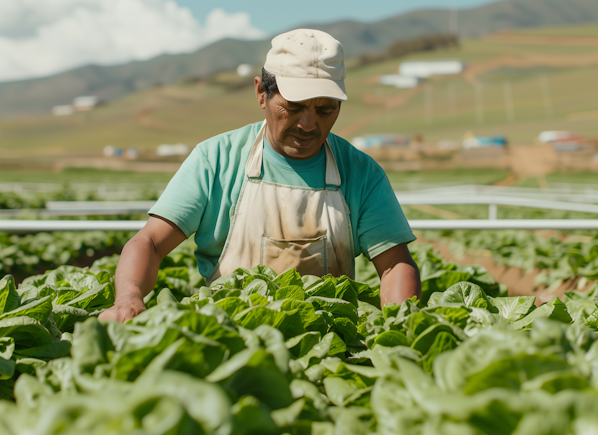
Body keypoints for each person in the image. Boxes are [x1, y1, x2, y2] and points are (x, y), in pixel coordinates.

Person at [99, 29, 420, 323]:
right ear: (261, 93)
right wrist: (128, 297)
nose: (308, 124)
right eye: (294, 106)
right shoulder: (215, 160)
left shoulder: (362, 173)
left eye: (325, 109)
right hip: (228, 336)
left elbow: (394, 265)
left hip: (327, 338)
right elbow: (150, 241)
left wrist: (400, 325)